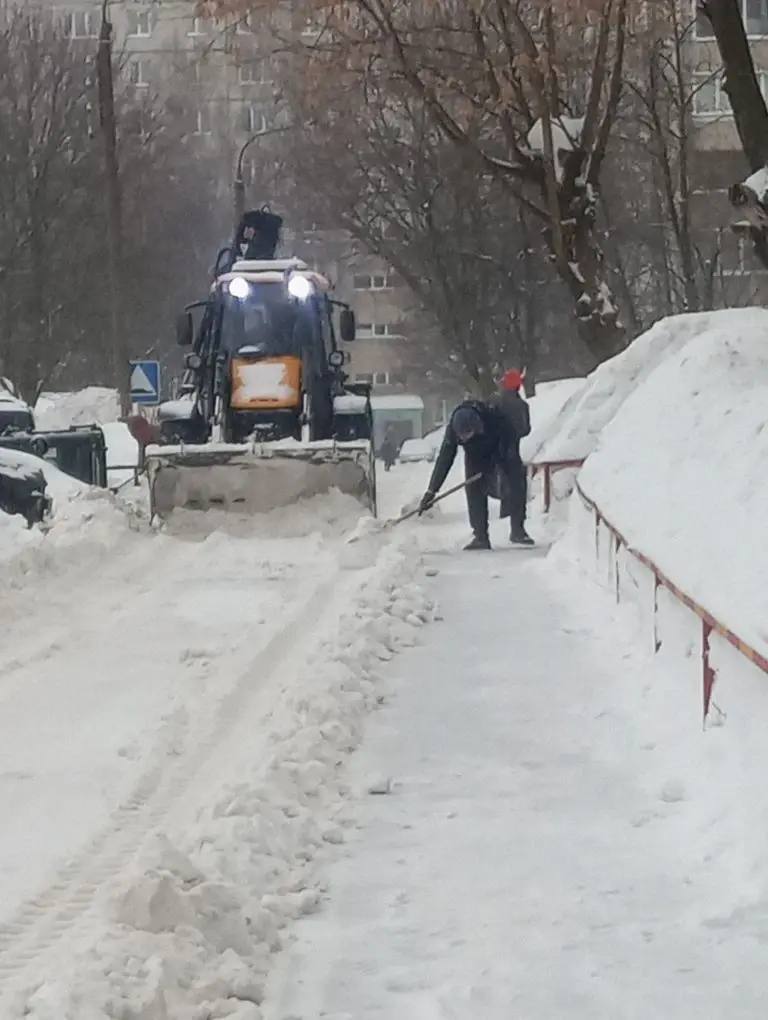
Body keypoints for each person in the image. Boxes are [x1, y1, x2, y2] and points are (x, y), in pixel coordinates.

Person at [419, 399, 515, 550]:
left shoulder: (493, 419)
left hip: (498, 450)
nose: (463, 438)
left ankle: (518, 529)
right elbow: (444, 459)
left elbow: (507, 443)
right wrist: (432, 491)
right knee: (473, 489)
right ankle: (480, 536)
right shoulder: (453, 430)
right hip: (474, 457)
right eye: (461, 436)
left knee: (508, 486)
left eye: (467, 434)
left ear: (476, 427)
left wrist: (498, 466)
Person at [494, 369, 533, 546]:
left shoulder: (495, 402)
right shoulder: (522, 406)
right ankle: (517, 529)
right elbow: (526, 429)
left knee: (499, 484)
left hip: (494, 450)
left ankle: (481, 532)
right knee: (518, 489)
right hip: (513, 451)